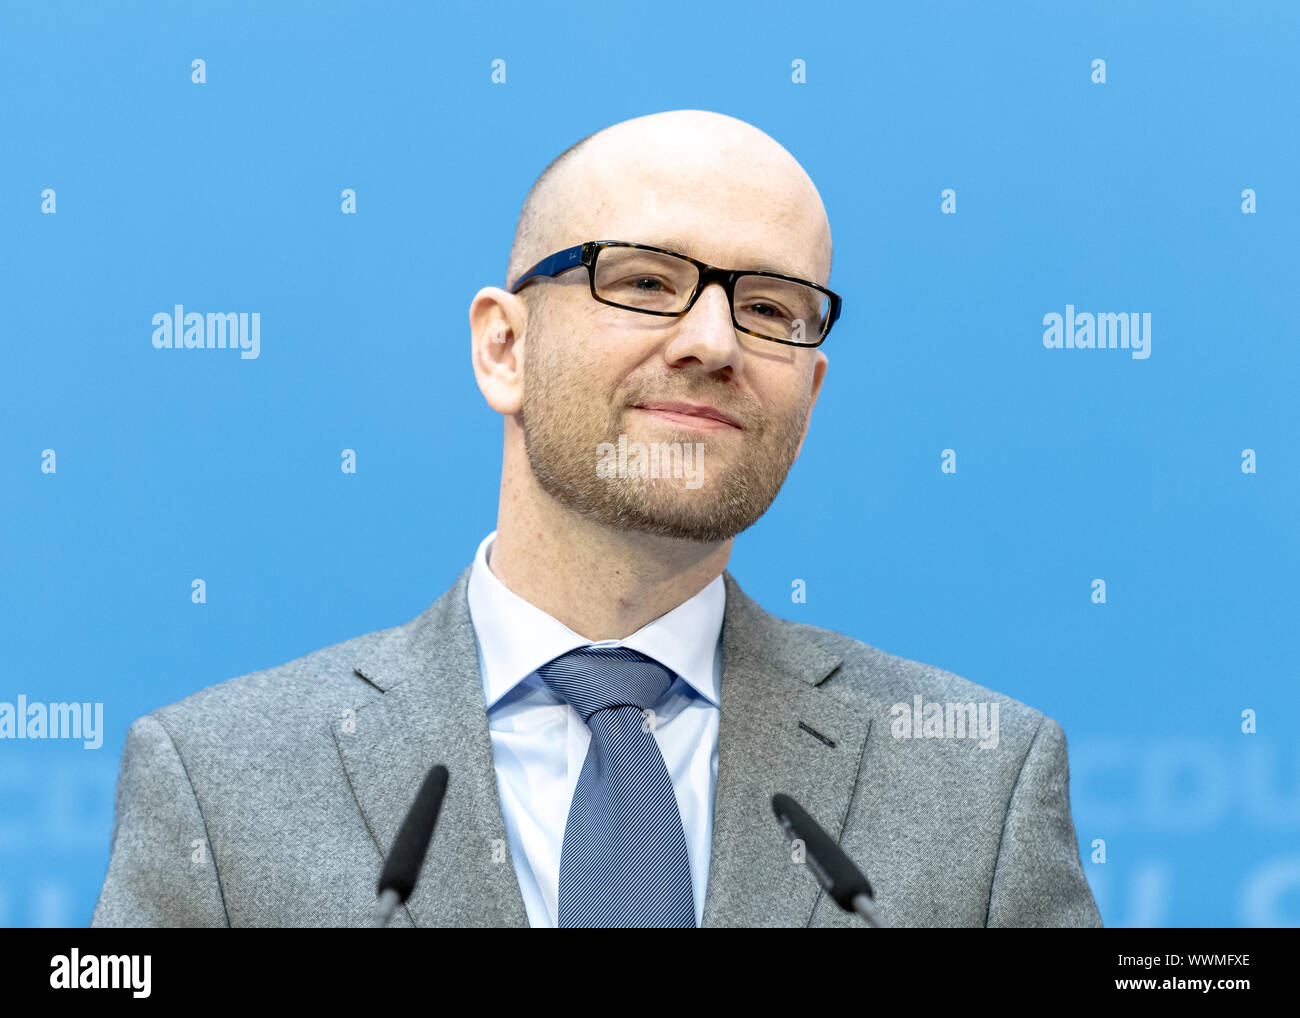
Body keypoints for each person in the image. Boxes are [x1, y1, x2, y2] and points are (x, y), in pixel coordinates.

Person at [91, 109, 1101, 928]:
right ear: (502, 347)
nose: (712, 341)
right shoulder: (221, 788)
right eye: (646, 281)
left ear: (810, 388)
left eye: (770, 308)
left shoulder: (978, 786)